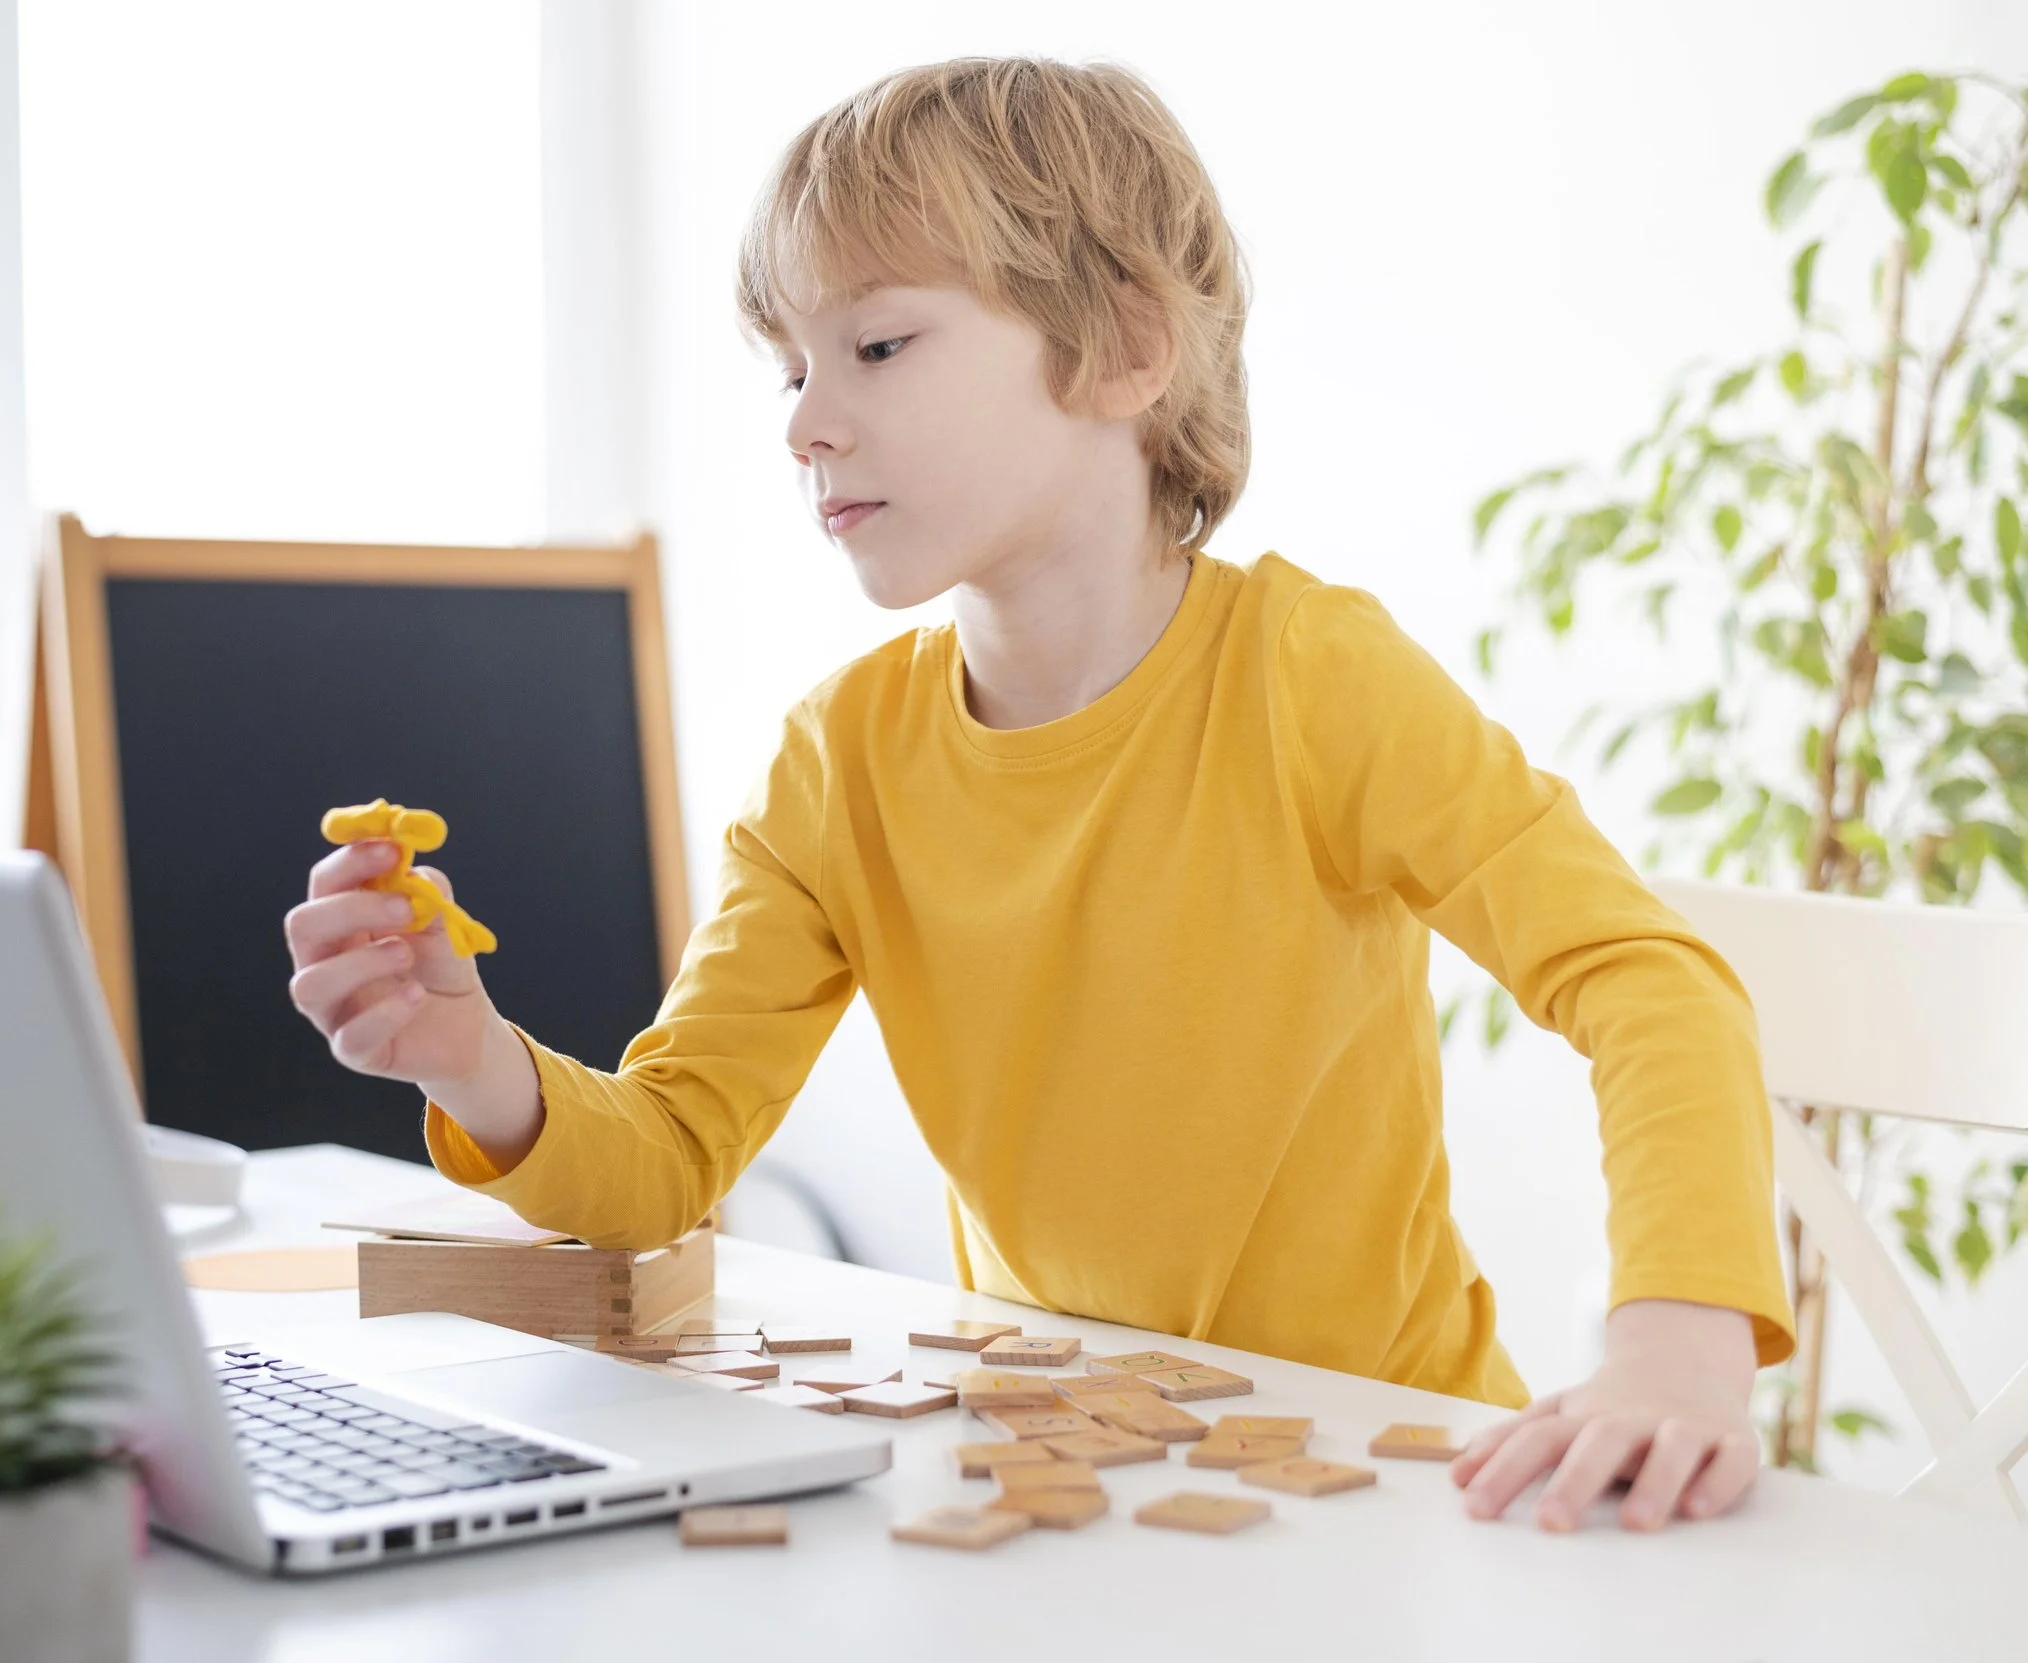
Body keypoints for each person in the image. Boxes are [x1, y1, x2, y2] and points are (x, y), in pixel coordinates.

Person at [284, 56, 1791, 1532]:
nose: (805, 418)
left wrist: (1677, 1340)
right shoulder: (840, 762)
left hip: (1374, 1475)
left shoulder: (1312, 679)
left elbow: (1644, 976)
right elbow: (674, 1152)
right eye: (791, 365)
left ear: (1125, 348)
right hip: (1060, 1469)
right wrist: (472, 1057)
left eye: (876, 347)